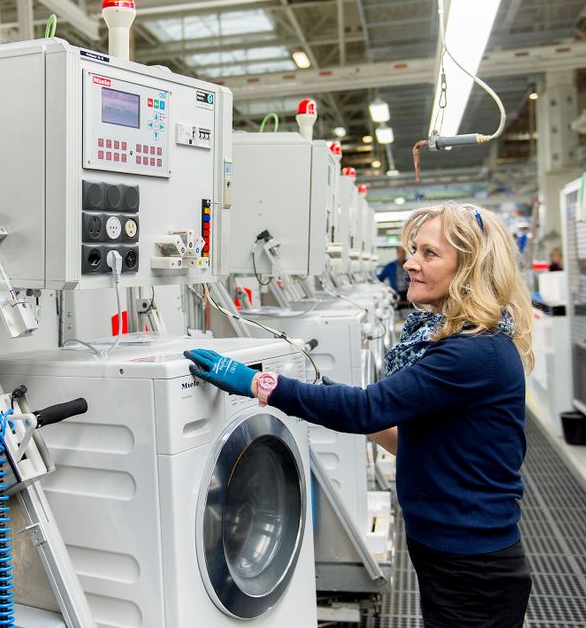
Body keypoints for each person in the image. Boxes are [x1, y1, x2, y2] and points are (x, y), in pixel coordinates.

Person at [185, 202, 535, 628]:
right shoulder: (462, 342)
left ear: (468, 270)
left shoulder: (471, 352)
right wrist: (325, 397)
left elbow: (368, 409)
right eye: (413, 250)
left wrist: (260, 384)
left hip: (473, 567)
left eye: (429, 253)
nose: (409, 262)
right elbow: (417, 441)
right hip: (454, 552)